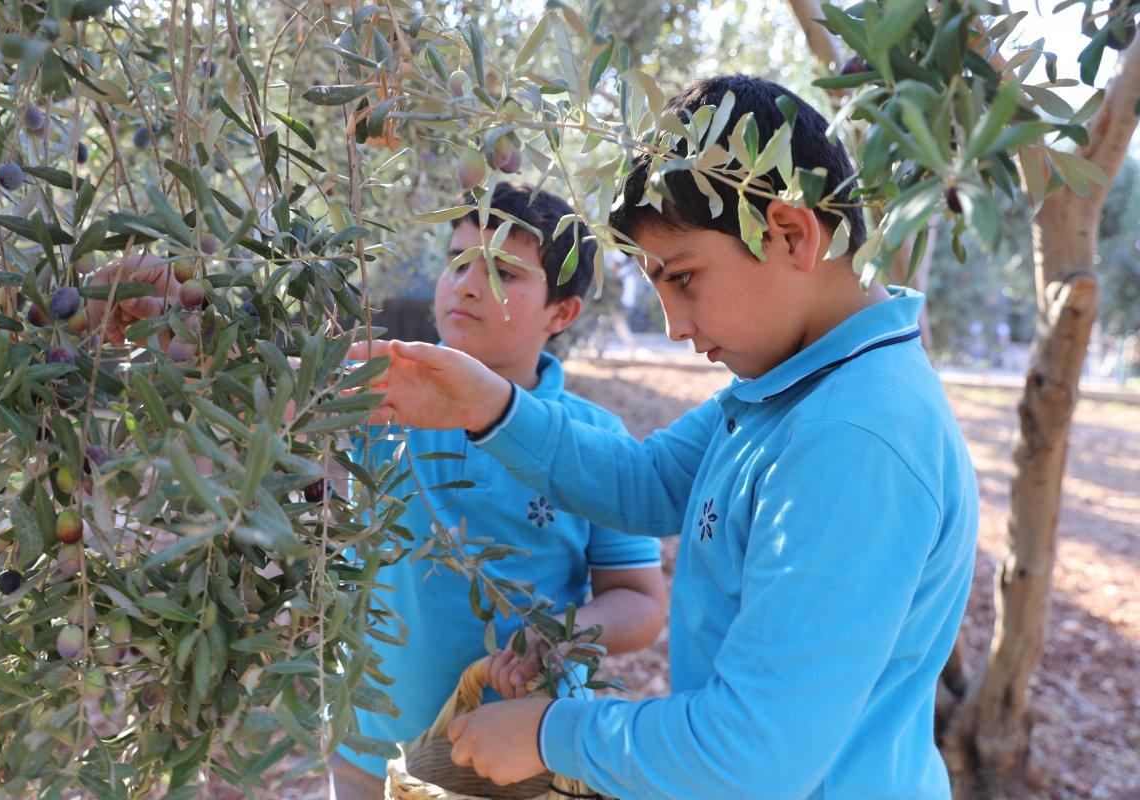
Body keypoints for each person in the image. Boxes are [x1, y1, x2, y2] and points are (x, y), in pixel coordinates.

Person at [348, 74, 980, 800]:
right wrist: (489, 405)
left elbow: (751, 755)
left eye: (682, 278)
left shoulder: (854, 437)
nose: (675, 325)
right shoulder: (791, 384)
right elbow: (645, 483)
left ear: (790, 233)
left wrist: (552, 734)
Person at [86, 184, 667, 800]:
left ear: (562, 314)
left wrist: (560, 631)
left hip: (520, 758)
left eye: (503, 271)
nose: (468, 284)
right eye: (458, 261)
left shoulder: (591, 442)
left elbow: (639, 603)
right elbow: (257, 383)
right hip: (367, 743)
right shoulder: (383, 392)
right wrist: (180, 315)